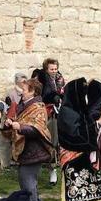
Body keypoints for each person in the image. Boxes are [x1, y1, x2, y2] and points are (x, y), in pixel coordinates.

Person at [3, 78, 52, 201]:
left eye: (24, 90)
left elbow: (37, 129)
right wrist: (9, 122)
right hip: (26, 150)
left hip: (34, 150)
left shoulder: (38, 108)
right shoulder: (24, 105)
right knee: (29, 180)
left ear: (33, 92)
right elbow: (16, 118)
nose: (21, 93)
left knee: (27, 180)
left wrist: (21, 127)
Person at [37, 58, 65, 187]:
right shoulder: (41, 79)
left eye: (55, 68)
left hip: (60, 114)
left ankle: (57, 168)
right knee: (49, 141)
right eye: (51, 69)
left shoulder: (60, 79)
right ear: (46, 69)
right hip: (47, 114)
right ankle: (50, 169)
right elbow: (40, 96)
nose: (54, 71)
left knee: (58, 141)